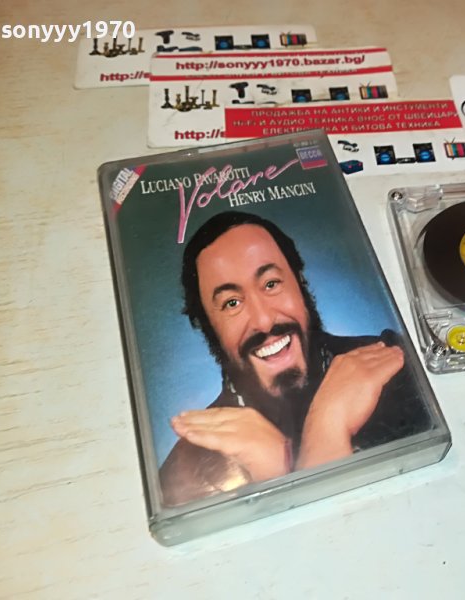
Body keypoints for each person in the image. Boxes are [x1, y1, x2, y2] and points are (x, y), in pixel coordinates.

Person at [159, 211, 430, 506]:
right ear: (207, 326)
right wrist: (319, 436)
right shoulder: (188, 467)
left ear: (299, 281)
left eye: (271, 284)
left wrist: (328, 419)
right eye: (232, 303)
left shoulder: (394, 364)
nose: (264, 321)